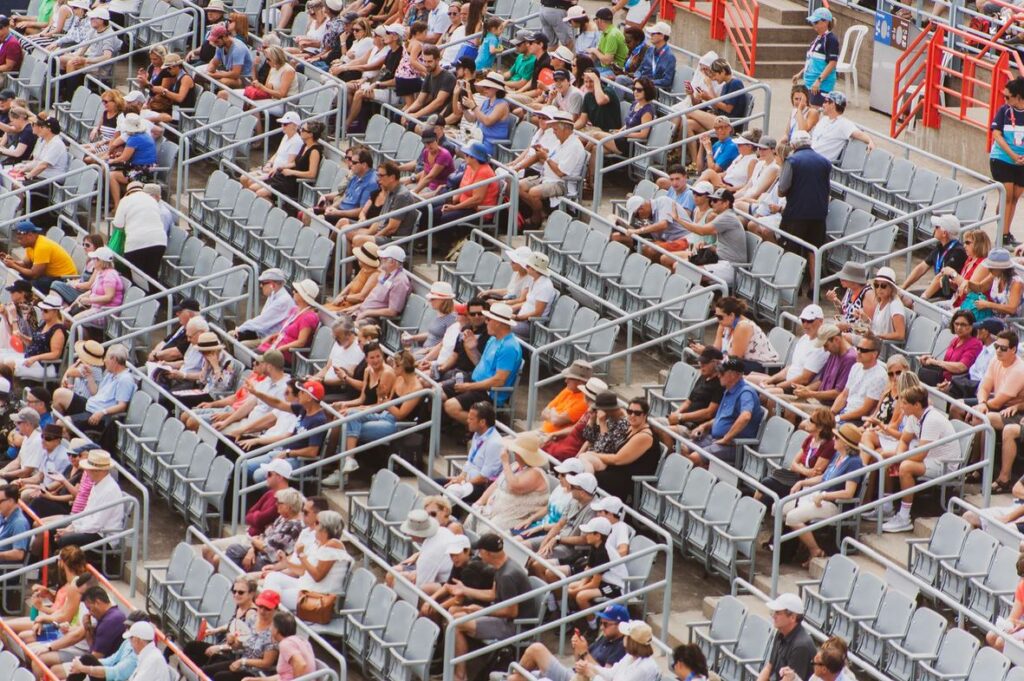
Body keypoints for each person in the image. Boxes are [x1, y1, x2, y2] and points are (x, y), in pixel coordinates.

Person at [452, 533, 536, 681]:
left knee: (457, 624)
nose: (478, 556)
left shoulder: (507, 576)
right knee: (455, 614)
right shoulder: (504, 565)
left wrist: (481, 611)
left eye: (480, 552)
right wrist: (465, 590)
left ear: (487, 553)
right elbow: (492, 594)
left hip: (516, 627)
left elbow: (511, 612)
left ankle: (460, 676)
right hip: (506, 619)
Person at [881, 387, 961, 532]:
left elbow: (920, 455)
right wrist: (897, 456)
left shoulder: (932, 420)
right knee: (885, 456)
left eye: (904, 403)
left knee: (905, 466)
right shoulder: (913, 417)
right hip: (929, 459)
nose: (901, 406)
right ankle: (887, 506)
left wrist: (898, 459)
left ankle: (904, 517)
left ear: (916, 405)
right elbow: (904, 441)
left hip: (943, 464)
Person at [782, 423, 864, 564]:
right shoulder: (838, 455)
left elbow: (849, 493)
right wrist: (802, 483)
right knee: (783, 509)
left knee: (792, 517)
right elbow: (823, 478)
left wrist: (824, 496)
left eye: (837, 438)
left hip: (834, 504)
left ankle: (815, 550)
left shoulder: (854, 463)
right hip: (821, 498)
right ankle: (791, 551)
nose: (834, 439)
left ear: (845, 444)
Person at [443, 302, 522, 424]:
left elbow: (499, 381)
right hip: (476, 383)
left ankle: (489, 426)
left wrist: (468, 387)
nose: (486, 322)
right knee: (438, 392)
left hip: (488, 393)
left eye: (488, 319)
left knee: (450, 406)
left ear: (498, 322)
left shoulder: (509, 347)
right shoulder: (493, 339)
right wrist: (472, 349)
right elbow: (480, 363)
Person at [509, 603, 628, 681]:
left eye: (606, 624)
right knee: (514, 679)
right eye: (601, 623)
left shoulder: (622, 646)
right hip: (574, 673)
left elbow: (606, 676)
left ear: (620, 625)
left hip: (578, 679)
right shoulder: (606, 637)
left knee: (536, 649)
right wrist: (577, 649)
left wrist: (585, 653)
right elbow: (578, 661)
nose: (602, 627)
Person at [263, 510, 351, 610]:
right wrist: (286, 562)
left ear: (326, 527)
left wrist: (301, 555)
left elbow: (317, 576)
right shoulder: (319, 544)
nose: (314, 525)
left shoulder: (333, 545)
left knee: (272, 596)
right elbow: (302, 571)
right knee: (272, 577)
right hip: (305, 586)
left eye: (317, 522)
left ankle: (269, 617)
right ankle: (269, 615)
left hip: (317, 596)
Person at [684, 357, 763, 467]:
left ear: (734, 375)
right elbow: (722, 418)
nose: (718, 375)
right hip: (713, 438)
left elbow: (745, 416)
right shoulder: (728, 390)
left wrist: (727, 438)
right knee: (681, 448)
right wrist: (704, 426)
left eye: (722, 372)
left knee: (693, 458)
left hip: (732, 446)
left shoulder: (746, 392)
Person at [581, 397, 660, 502]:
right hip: (618, 471)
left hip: (628, 481)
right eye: (630, 411)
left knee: (590, 466)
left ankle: (585, 494)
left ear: (645, 415)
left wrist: (593, 454)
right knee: (583, 459)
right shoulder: (631, 428)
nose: (632, 415)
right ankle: (582, 494)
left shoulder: (644, 436)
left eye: (637, 413)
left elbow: (617, 459)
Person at [469, 431, 550, 532]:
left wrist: (505, 462)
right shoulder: (515, 465)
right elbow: (496, 484)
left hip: (513, 518)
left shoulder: (536, 473)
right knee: (471, 518)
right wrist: (480, 502)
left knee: (486, 530)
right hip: (492, 511)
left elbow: (514, 486)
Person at [518, 110, 585, 228]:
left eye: (555, 130)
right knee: (518, 186)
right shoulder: (561, 141)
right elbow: (551, 156)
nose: (554, 133)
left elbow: (561, 172)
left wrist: (546, 157)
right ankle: (541, 214)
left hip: (562, 183)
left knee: (533, 192)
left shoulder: (574, 146)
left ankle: (537, 218)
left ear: (566, 129)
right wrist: (543, 151)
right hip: (547, 177)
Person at [53, 344, 136, 435]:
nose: (104, 360)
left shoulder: (125, 379)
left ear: (114, 359)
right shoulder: (110, 373)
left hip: (99, 416)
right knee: (59, 394)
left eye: (106, 358)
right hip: (90, 405)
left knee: (61, 423)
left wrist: (102, 412)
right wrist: (89, 376)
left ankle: (56, 436)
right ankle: (53, 430)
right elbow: (95, 393)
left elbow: (122, 406)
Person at [778, 129, 830, 274]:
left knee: (791, 249)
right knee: (814, 250)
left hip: (796, 214)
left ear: (793, 145)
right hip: (819, 214)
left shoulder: (792, 161)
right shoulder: (824, 162)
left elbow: (782, 189)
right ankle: (814, 285)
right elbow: (827, 189)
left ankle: (793, 283)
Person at [752, 304, 829, 393]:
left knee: (764, 393)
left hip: (796, 388)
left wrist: (776, 386)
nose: (805, 324)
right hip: (786, 382)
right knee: (748, 378)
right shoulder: (804, 338)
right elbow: (791, 367)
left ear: (821, 321)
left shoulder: (820, 347)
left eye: (810, 321)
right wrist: (770, 381)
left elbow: (804, 379)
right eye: (803, 320)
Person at [690, 297, 778, 373]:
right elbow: (716, 350)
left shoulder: (743, 327)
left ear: (731, 315)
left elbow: (734, 361)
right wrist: (706, 352)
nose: (718, 320)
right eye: (716, 316)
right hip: (741, 362)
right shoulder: (723, 324)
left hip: (761, 366)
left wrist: (707, 353)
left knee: (716, 365)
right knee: (709, 363)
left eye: (720, 317)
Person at [656, 348, 723, 444]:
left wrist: (681, 417)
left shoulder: (720, 384)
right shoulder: (703, 376)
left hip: (694, 427)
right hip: (682, 420)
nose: (701, 365)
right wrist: (676, 414)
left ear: (716, 363)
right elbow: (688, 401)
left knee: (664, 432)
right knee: (651, 423)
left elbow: (709, 412)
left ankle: (670, 456)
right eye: (701, 362)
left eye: (705, 363)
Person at [112, 181, 167, 289]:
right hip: (158, 241)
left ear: (128, 192)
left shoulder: (125, 201)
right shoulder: (151, 200)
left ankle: (144, 301)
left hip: (135, 243)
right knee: (152, 275)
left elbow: (118, 225)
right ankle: (157, 301)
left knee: (138, 280)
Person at [990, 75, 1024, 246]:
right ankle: (1002, 236)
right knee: (1007, 196)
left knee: (1015, 197)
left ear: (1019, 97)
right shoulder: (1004, 110)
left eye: (1008, 96)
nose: (1004, 99)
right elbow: (996, 134)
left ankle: (1006, 231)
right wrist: (1012, 155)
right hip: (1003, 159)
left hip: (1021, 162)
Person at [900, 214, 968, 300]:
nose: (934, 229)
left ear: (944, 233)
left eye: (937, 227)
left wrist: (922, 299)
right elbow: (921, 268)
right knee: (901, 298)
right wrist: (902, 288)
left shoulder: (958, 252)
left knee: (909, 302)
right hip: (936, 291)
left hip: (948, 296)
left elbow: (941, 277)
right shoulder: (940, 248)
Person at [2, 220, 77, 293]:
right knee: (22, 277)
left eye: (20, 239)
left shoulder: (42, 247)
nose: (19, 241)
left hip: (65, 279)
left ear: (30, 235)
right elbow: (25, 264)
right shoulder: (30, 245)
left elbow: (34, 274)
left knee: (34, 284)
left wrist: (13, 266)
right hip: (51, 276)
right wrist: (12, 262)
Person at [756, 593, 816, 681]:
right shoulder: (780, 632)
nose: (773, 616)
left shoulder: (801, 646)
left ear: (792, 617)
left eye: (778, 612)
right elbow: (769, 667)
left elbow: (789, 679)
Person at [262, 121, 324, 207]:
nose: (300, 131)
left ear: (310, 134)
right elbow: (296, 162)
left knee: (260, 193)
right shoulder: (305, 146)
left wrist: (291, 172)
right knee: (255, 188)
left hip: (296, 184)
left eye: (303, 130)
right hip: (288, 178)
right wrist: (280, 167)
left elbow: (312, 174)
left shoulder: (314, 151)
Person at [574, 620, 659, 680]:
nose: (623, 638)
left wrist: (592, 674)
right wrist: (590, 667)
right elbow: (611, 673)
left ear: (631, 640)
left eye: (626, 636)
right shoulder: (630, 656)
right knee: (581, 675)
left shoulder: (644, 668)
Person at [831, 334, 886, 426]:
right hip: (844, 413)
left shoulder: (880, 376)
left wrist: (838, 418)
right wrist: (831, 413)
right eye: (858, 348)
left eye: (863, 350)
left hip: (857, 420)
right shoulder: (856, 366)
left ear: (874, 354)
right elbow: (844, 395)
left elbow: (865, 409)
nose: (859, 352)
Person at [919, 310, 983, 386]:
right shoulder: (955, 340)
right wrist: (930, 360)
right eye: (956, 324)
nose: (959, 327)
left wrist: (935, 362)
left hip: (955, 384)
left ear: (972, 326)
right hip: (942, 378)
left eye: (963, 325)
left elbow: (961, 367)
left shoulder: (975, 344)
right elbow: (947, 363)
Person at [351, 245, 412, 324]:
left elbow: (392, 311)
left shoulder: (400, 282)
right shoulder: (385, 273)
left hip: (373, 319)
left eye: (383, 259)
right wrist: (359, 306)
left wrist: (367, 313)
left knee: (343, 328)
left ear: (392, 262)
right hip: (361, 312)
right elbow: (374, 298)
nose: (380, 260)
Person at [810, 91, 873, 162]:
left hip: (820, 162)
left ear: (833, 104)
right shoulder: (824, 119)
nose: (822, 104)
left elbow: (858, 134)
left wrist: (870, 141)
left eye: (825, 101)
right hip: (809, 156)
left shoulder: (843, 124)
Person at [793, 7, 839, 105]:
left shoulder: (831, 39)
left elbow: (832, 63)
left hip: (821, 86)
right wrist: (800, 73)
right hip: (809, 83)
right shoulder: (818, 38)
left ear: (825, 22)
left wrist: (819, 81)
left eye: (816, 22)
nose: (814, 25)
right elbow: (811, 60)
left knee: (813, 115)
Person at [986, 554, 1024, 652]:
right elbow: (1014, 616)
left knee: (1001, 642)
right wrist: (1010, 624)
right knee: (991, 636)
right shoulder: (1022, 586)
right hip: (1021, 625)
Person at [976, 248, 1024, 319]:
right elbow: (980, 287)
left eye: (992, 267)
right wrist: (965, 282)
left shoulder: (1016, 283)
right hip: (996, 320)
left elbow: (1012, 309)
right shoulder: (995, 275)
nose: (989, 269)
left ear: (1002, 268)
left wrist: (988, 304)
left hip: (1011, 325)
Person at [865, 267, 907, 343]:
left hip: (886, 347)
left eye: (883, 286)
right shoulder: (881, 300)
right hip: (876, 344)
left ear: (891, 288)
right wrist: (865, 319)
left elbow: (900, 335)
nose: (879, 289)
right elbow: (877, 327)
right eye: (876, 285)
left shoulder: (895, 305)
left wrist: (879, 336)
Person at [589, 8, 627, 75]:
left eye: (595, 20)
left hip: (615, 70)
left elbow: (607, 61)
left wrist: (594, 51)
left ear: (599, 20)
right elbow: (599, 52)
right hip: (605, 67)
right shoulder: (606, 32)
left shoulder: (612, 35)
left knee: (590, 76)